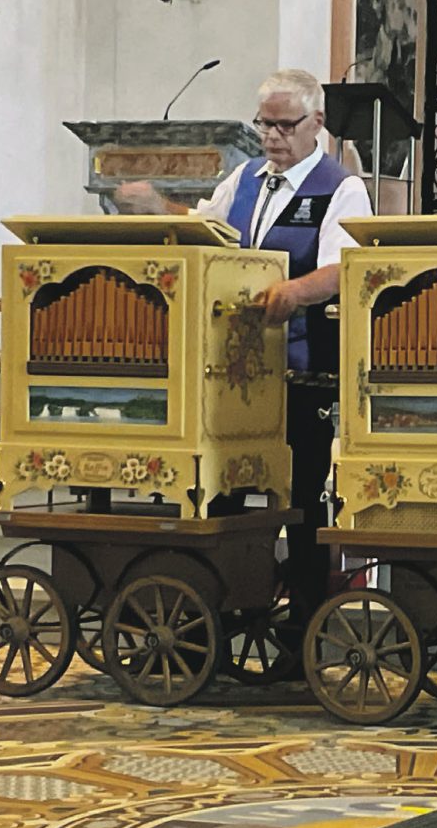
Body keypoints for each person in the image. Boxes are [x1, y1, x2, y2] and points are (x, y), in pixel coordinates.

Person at [115, 69, 373, 622]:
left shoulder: (342, 186)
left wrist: (295, 290)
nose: (273, 136)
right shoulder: (247, 177)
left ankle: (305, 622)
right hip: (230, 369)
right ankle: (223, 607)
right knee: (223, 487)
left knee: (301, 498)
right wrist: (160, 209)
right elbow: (212, 230)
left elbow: (345, 268)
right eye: (265, 124)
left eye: (285, 124)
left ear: (317, 124)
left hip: (301, 370)